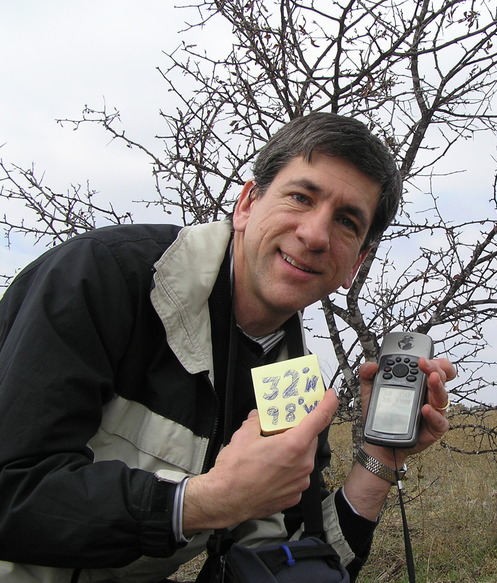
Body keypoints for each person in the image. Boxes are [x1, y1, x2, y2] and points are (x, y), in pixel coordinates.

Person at [0, 112, 454, 582]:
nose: (315, 235)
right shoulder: (101, 277)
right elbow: (12, 493)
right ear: (246, 204)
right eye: (301, 197)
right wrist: (205, 501)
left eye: (346, 221)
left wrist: (379, 460)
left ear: (356, 264)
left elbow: (289, 567)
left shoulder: (293, 383)